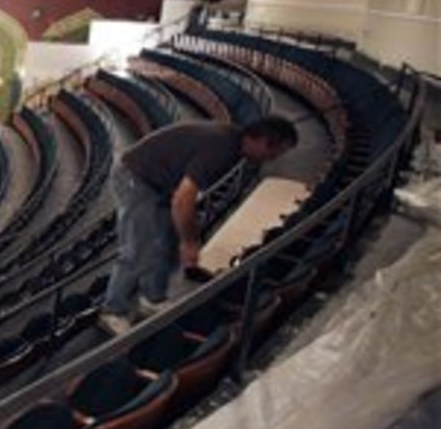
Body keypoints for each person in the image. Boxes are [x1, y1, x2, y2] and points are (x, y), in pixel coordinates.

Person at [100, 115, 299, 334]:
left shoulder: (234, 145)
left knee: (167, 241)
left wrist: (184, 237)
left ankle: (152, 297)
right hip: (136, 177)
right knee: (140, 245)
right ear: (263, 141)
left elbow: (184, 199)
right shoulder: (221, 148)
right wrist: (190, 241)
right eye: (275, 151)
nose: (272, 158)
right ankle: (113, 310)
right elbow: (183, 199)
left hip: (161, 182)